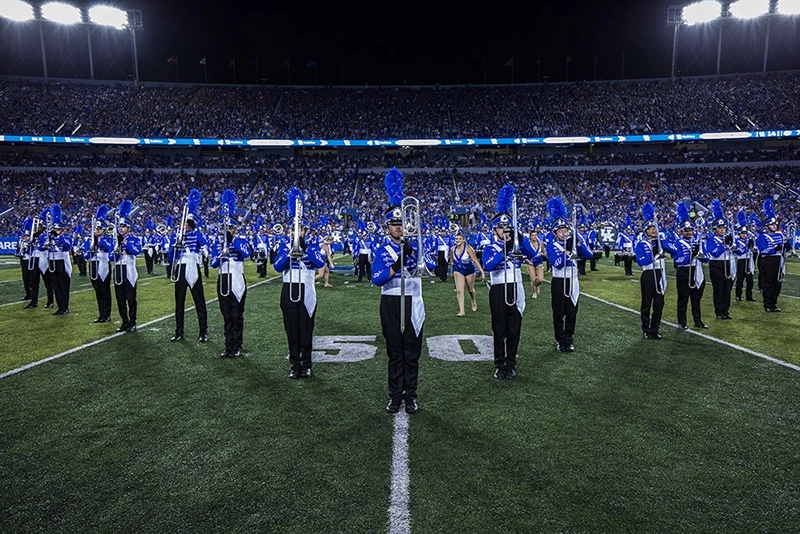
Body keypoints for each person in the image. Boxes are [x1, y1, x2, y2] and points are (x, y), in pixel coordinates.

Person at [372, 168, 434, 413]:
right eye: (394, 224)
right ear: (387, 226)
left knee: (412, 352)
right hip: (390, 303)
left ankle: (411, 396)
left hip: (413, 301)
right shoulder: (382, 250)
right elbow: (377, 279)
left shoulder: (417, 245)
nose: (399, 227)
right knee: (395, 352)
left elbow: (428, 267)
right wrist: (396, 265)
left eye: (401, 223)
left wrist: (412, 252)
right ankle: (395, 396)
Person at [482, 185, 542, 378]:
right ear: (495, 230)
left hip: (516, 288)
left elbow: (536, 257)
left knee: (514, 328)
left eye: (508, 227)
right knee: (499, 328)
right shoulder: (489, 247)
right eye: (502, 227)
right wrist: (506, 248)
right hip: (499, 290)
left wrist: (521, 240)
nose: (505, 230)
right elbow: (489, 265)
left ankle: (511, 363)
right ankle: (499, 364)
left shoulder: (516, 245)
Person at [274, 187, 326, 379]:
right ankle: (294, 364)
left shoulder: (312, 246)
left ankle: (307, 364)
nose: (296, 232)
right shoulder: (283, 246)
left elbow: (321, 263)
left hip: (307, 288)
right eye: (293, 229)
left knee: (306, 328)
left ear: (305, 231)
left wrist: (304, 248)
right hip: (288, 287)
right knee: (291, 329)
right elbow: (278, 267)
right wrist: (290, 252)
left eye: (300, 229)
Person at [545, 197, 594, 353]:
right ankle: (560, 340)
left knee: (572, 313)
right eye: (560, 231)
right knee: (558, 314)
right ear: (555, 233)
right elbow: (556, 263)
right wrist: (567, 252)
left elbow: (589, 255)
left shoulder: (573, 241)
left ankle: (569, 339)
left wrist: (578, 243)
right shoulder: (551, 245)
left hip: (573, 281)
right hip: (559, 281)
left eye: (565, 230)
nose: (564, 233)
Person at [211, 190, 252, 358]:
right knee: (226, 315)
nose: (226, 230)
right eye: (224, 228)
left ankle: (237, 345)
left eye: (230, 228)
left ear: (235, 229)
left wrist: (233, 241)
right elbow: (213, 263)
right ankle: (228, 346)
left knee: (236, 315)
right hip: (223, 279)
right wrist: (222, 252)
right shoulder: (218, 243)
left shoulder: (240, 240)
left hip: (236, 280)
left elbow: (246, 253)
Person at [170, 189, 209, 343]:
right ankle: (179, 332)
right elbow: (171, 257)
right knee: (179, 303)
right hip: (180, 268)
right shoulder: (176, 236)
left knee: (199, 302)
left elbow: (206, 250)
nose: (185, 225)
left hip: (193, 267)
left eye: (187, 223)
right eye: (184, 222)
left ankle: (203, 332)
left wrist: (202, 248)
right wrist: (175, 246)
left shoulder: (197, 234)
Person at [663, 202, 708, 330]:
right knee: (683, 299)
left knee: (696, 299)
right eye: (686, 231)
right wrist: (691, 256)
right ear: (682, 231)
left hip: (697, 271)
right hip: (684, 272)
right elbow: (678, 261)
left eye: (691, 230)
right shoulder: (678, 243)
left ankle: (698, 321)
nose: (689, 232)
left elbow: (707, 258)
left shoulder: (698, 240)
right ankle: (682, 322)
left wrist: (701, 255)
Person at [635, 202, 667, 339]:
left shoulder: (660, 242)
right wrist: (652, 255)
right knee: (646, 303)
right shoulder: (641, 244)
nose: (654, 230)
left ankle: (655, 329)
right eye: (651, 228)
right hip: (648, 274)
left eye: (655, 228)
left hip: (660, 273)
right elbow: (640, 261)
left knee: (659, 304)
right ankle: (646, 329)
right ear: (646, 231)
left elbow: (674, 250)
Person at [110, 200, 141, 333]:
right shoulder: (115, 240)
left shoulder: (134, 239)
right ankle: (124, 322)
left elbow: (135, 251)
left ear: (128, 228)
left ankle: (132, 322)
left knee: (131, 298)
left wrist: (125, 243)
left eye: (123, 226)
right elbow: (111, 258)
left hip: (129, 270)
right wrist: (117, 247)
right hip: (118, 269)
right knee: (120, 299)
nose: (121, 228)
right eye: (120, 226)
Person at [754, 199, 788, 313]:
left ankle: (773, 303)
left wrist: (786, 245)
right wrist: (775, 249)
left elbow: (784, 247)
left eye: (775, 224)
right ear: (767, 225)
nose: (775, 225)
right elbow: (763, 250)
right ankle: (768, 304)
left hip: (778, 261)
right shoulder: (762, 237)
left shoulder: (779, 235)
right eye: (772, 224)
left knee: (777, 283)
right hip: (767, 261)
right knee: (767, 283)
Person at [705, 199, 735, 320]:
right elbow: (715, 253)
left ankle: (726, 311)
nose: (723, 230)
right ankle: (719, 311)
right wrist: (724, 244)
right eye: (720, 228)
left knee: (727, 289)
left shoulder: (727, 238)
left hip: (728, 263)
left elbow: (737, 251)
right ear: (715, 229)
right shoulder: (711, 240)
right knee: (719, 289)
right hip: (716, 265)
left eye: (724, 228)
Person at [84, 204, 114, 323]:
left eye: (99, 229)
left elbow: (111, 249)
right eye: (96, 229)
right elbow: (85, 256)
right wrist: (91, 249)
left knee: (105, 291)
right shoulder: (90, 240)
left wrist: (100, 242)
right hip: (93, 265)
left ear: (104, 230)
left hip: (104, 265)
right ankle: (101, 314)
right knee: (97, 292)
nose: (97, 231)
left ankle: (107, 314)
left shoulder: (108, 239)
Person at [43, 204, 74, 316]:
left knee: (64, 286)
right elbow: (42, 247)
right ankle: (60, 307)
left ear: (62, 229)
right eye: (54, 229)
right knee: (56, 286)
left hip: (62, 262)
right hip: (52, 262)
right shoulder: (50, 238)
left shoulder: (66, 237)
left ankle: (65, 307)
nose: (55, 231)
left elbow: (68, 246)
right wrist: (47, 242)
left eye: (58, 229)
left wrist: (58, 237)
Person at [449, 232, 485, 316]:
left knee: (470, 289)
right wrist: (452, 271)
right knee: (459, 290)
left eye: (460, 239)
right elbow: (451, 260)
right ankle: (461, 310)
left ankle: (473, 300)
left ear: (464, 240)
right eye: (457, 239)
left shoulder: (468, 248)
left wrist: (482, 272)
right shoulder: (452, 249)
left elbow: (475, 260)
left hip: (469, 270)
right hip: (458, 269)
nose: (458, 241)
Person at [734, 210, 756, 302]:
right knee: (740, 280)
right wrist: (748, 246)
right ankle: (738, 295)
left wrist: (752, 246)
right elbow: (740, 252)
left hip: (749, 260)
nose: (744, 235)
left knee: (750, 280)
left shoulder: (748, 239)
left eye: (745, 233)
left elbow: (754, 249)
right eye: (743, 233)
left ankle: (749, 296)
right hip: (742, 261)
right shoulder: (737, 241)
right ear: (739, 234)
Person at [17, 217, 35, 302]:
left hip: (29, 261)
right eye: (25, 236)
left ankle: (32, 294)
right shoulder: (22, 241)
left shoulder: (32, 242)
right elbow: (19, 249)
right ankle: (28, 293)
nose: (26, 237)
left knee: (31, 278)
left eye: (27, 236)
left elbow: (32, 251)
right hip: (23, 260)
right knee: (25, 279)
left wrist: (27, 247)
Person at [526, 229, 545, 299]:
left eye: (535, 235)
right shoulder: (527, 244)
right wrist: (528, 261)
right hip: (530, 262)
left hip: (539, 262)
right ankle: (534, 292)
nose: (534, 237)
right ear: (530, 236)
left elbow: (544, 252)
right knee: (533, 279)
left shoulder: (540, 243)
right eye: (533, 235)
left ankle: (537, 285)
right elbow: (523, 254)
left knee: (540, 279)